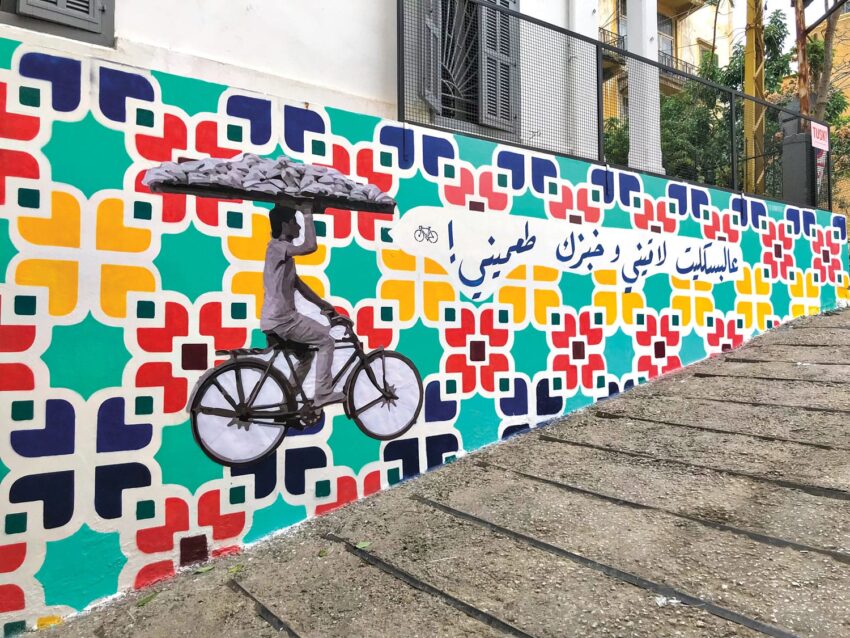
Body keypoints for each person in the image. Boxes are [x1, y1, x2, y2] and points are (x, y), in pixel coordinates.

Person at [260, 204, 346, 407]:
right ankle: (323, 394)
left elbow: (300, 286)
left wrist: (325, 305)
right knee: (327, 341)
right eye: (294, 222)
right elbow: (310, 247)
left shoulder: (282, 255)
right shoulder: (277, 247)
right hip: (283, 320)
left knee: (306, 356)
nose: (298, 227)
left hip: (277, 320)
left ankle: (288, 401)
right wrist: (308, 214)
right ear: (284, 225)